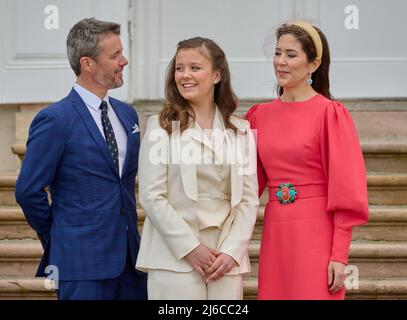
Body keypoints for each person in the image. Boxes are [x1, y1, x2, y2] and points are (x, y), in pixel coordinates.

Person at [15, 18, 147, 300]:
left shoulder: (127, 115)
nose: (124, 61)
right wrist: (59, 236)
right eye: (115, 55)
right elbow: (28, 191)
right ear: (87, 63)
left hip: (131, 263)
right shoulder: (55, 120)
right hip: (80, 265)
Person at [246, 21, 369, 300]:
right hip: (277, 232)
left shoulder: (330, 114)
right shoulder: (258, 116)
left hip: (317, 233)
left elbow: (347, 191)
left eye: (291, 55)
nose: (280, 62)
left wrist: (339, 254)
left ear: (313, 64)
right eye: (278, 53)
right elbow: (247, 186)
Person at [136, 37, 259, 300]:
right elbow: (151, 196)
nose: (185, 75)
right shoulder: (161, 127)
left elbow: (249, 200)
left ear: (217, 75)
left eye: (195, 68)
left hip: (225, 260)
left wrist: (232, 251)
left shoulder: (242, 131)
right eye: (179, 68)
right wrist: (190, 248)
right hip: (174, 257)